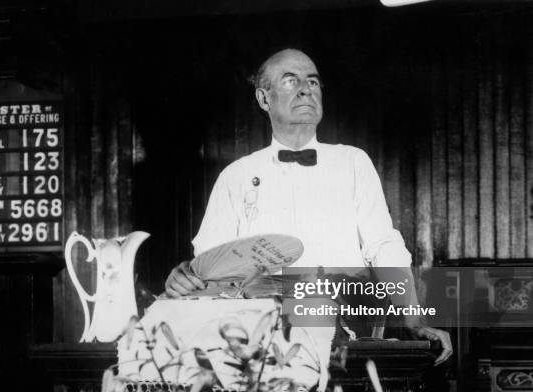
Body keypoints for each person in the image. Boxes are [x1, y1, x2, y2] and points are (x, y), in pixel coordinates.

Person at [164, 48, 452, 365]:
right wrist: (186, 277)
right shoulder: (236, 176)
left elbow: (383, 245)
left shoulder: (353, 162)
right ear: (263, 99)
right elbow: (211, 262)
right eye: (290, 81)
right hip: (262, 338)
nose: (305, 89)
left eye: (313, 82)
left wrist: (414, 319)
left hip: (345, 328)